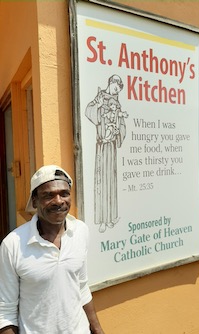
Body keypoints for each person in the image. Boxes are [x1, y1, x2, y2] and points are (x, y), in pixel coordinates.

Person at [0, 165, 105, 334]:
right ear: (34, 201)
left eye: (64, 193)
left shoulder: (80, 231)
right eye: (48, 195)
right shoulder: (13, 244)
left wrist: (97, 329)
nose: (58, 201)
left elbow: (81, 287)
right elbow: (5, 311)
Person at [85, 75, 128, 233]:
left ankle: (111, 218)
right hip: (102, 147)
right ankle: (102, 219)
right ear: (111, 83)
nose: (117, 92)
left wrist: (118, 131)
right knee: (102, 182)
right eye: (116, 88)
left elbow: (121, 123)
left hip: (112, 147)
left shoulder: (117, 102)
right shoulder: (100, 97)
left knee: (111, 182)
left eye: (119, 90)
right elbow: (89, 112)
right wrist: (97, 105)